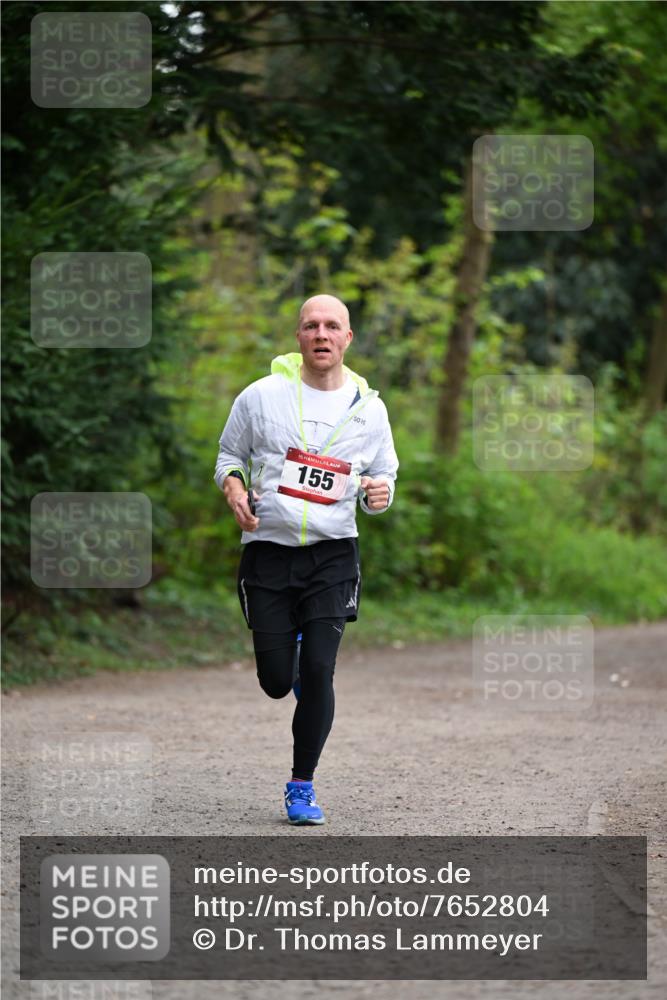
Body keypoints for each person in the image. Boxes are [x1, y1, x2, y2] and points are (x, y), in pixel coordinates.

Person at [214, 294, 398, 825]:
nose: (321, 334)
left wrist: (380, 494)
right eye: (311, 325)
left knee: (320, 670)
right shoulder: (261, 396)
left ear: (347, 338)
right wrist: (235, 490)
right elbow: (229, 457)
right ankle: (290, 659)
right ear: (298, 336)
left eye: (332, 326)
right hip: (268, 553)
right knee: (277, 681)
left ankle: (302, 785)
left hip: (333, 554)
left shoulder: (369, 408)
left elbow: (383, 474)